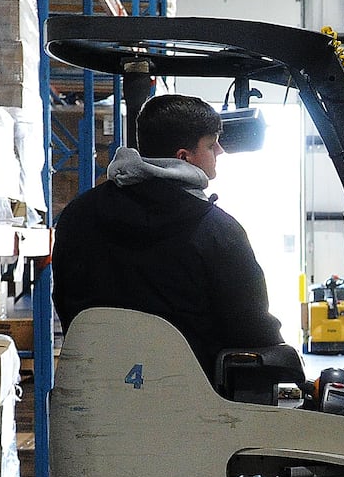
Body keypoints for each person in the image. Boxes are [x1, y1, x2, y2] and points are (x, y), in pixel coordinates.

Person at [52, 94, 287, 384]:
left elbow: (67, 305)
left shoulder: (78, 215)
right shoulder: (217, 230)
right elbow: (250, 326)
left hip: (95, 389)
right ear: (183, 157)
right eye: (212, 144)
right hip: (196, 402)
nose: (221, 151)